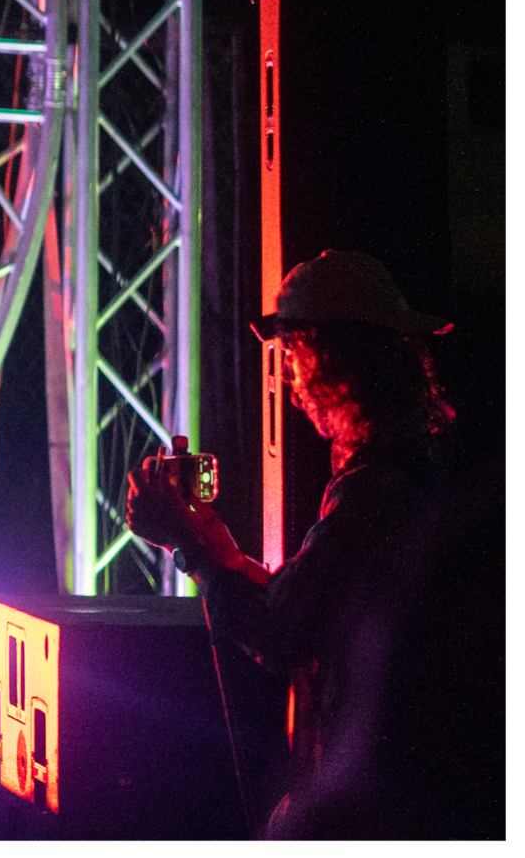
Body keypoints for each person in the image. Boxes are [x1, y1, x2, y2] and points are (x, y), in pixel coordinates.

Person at [124, 249, 460, 835]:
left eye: (293, 353)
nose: (289, 378)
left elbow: (283, 632)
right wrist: (217, 549)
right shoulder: (398, 468)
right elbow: (308, 601)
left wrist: (195, 549)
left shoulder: (377, 489)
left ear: (332, 359)